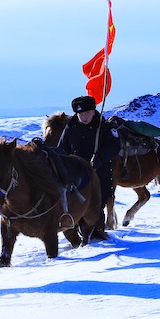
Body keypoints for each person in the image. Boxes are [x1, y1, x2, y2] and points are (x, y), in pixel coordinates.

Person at [57, 95, 120, 237]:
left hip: (100, 172)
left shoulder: (103, 127)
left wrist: (100, 157)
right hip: (76, 174)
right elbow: (62, 149)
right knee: (75, 203)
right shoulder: (70, 128)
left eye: (86, 114)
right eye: (80, 114)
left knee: (97, 204)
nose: (83, 117)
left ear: (93, 112)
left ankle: (97, 232)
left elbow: (115, 146)